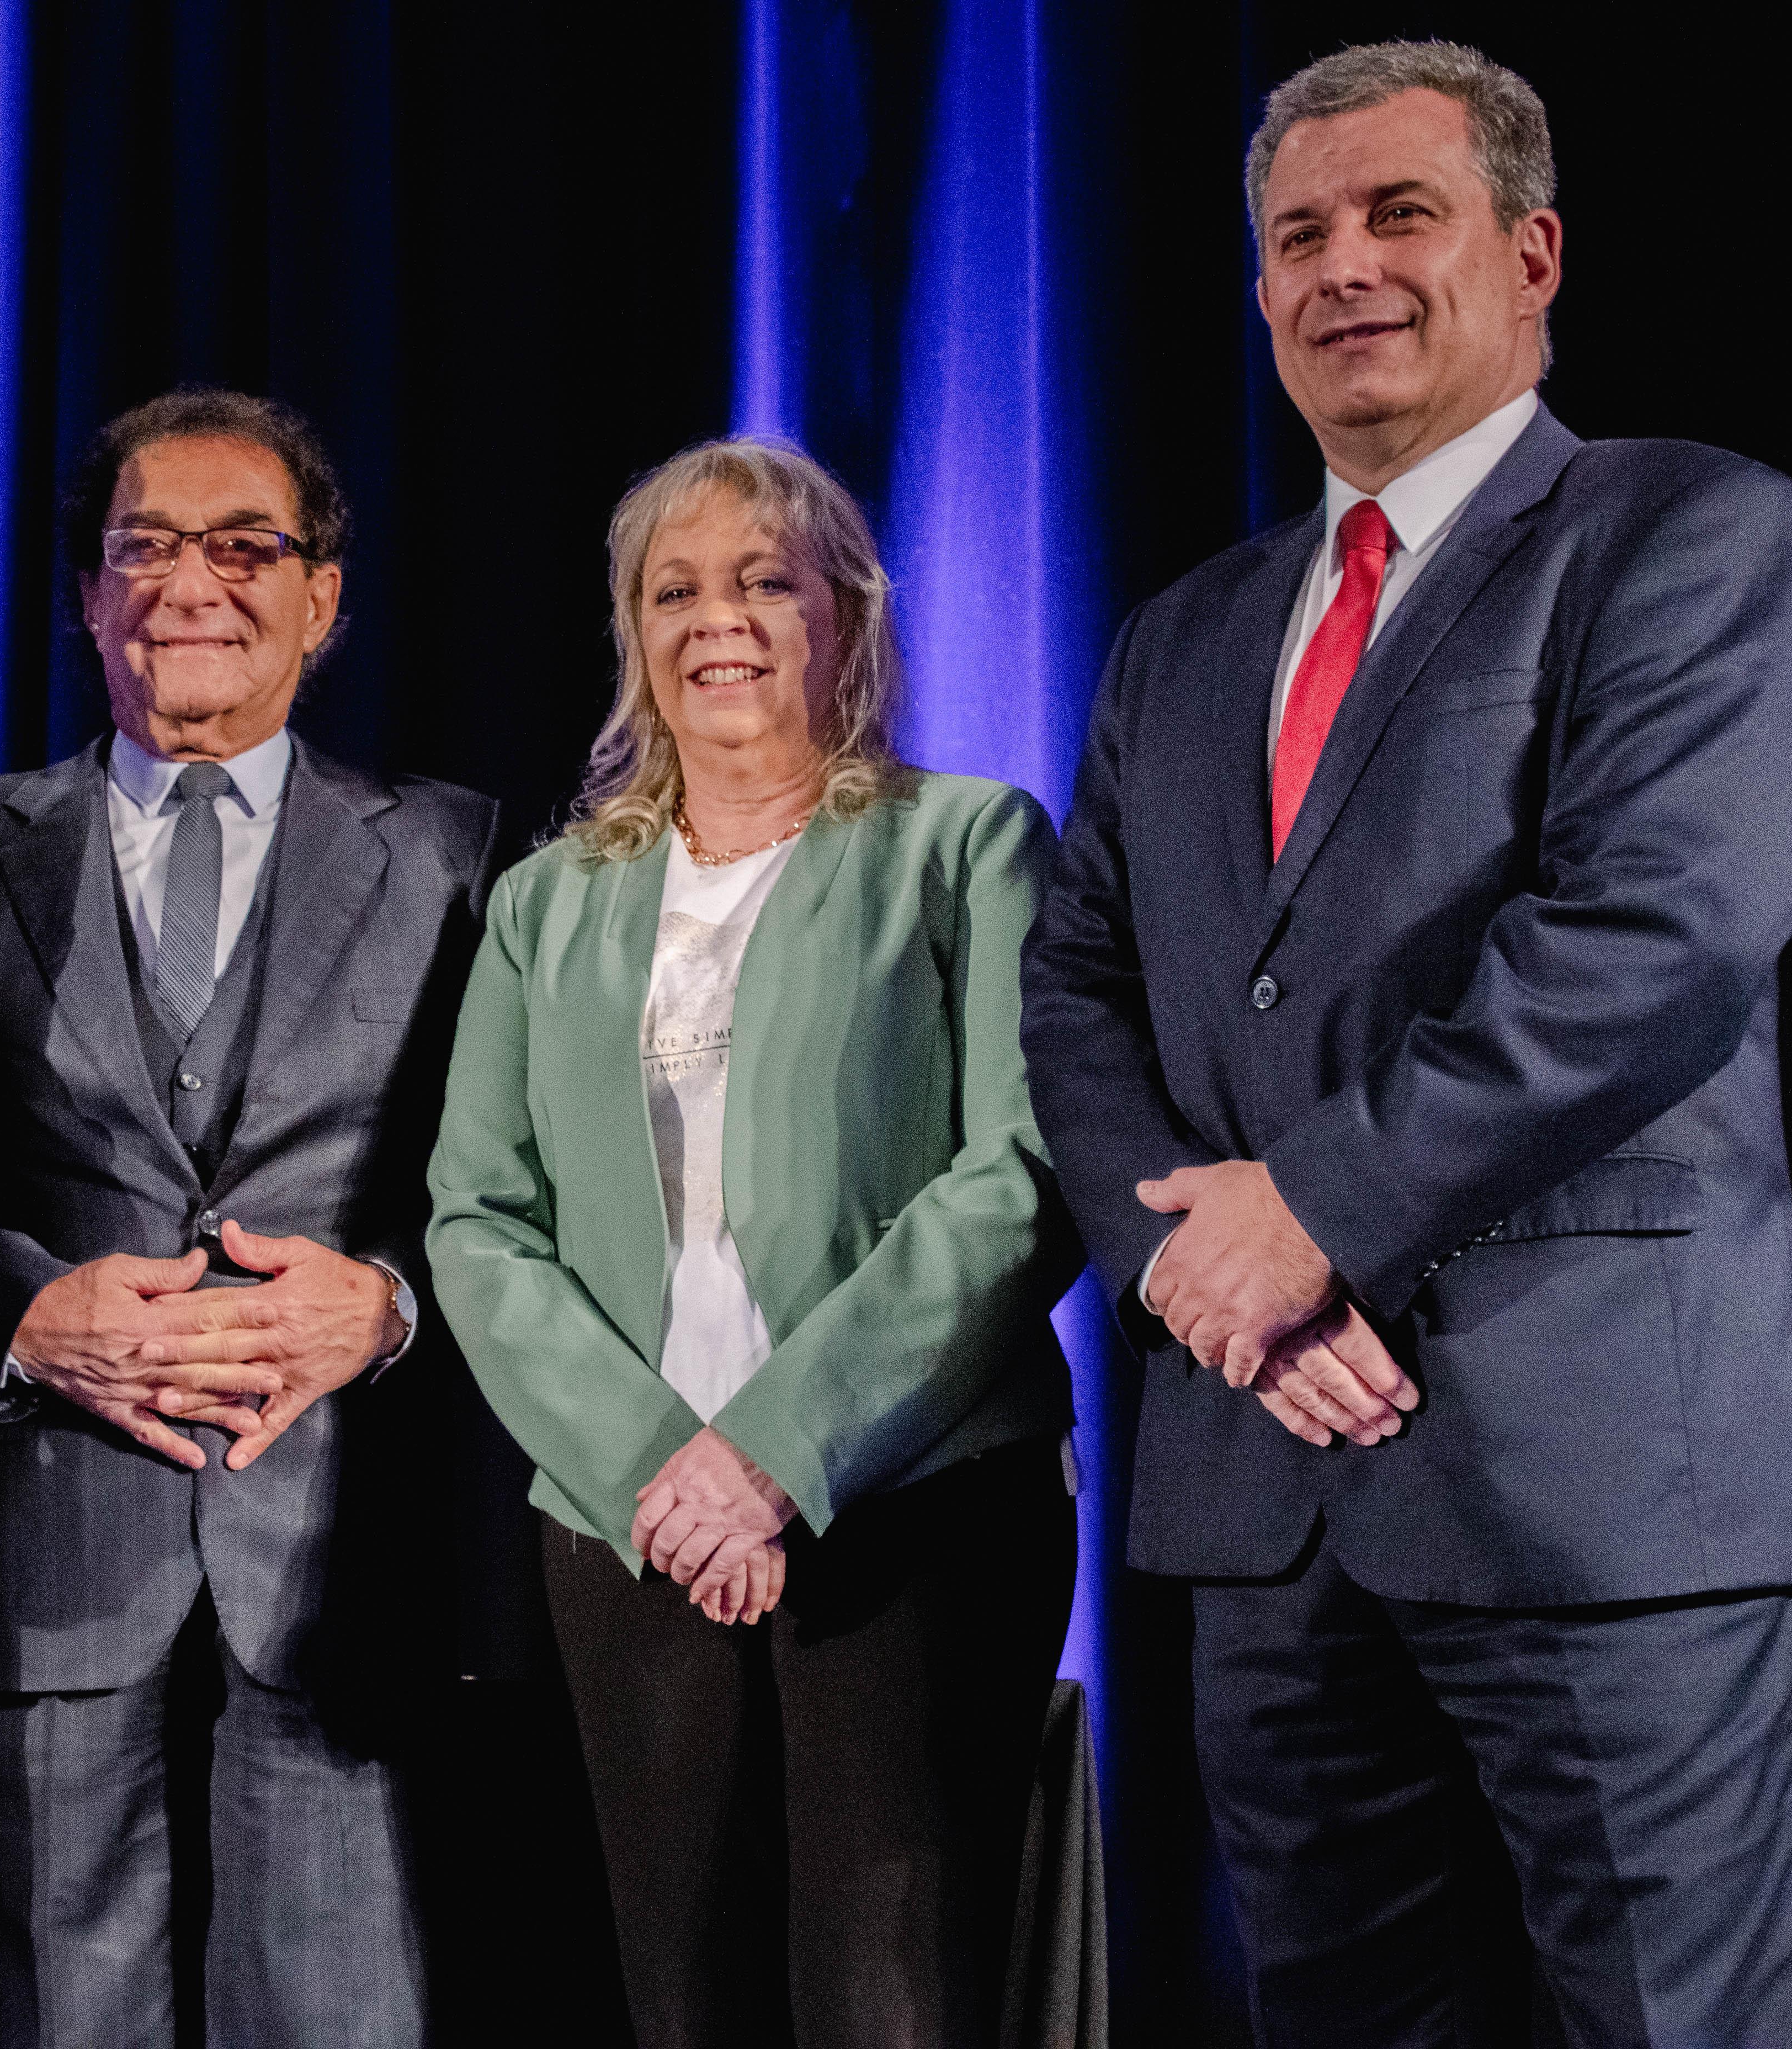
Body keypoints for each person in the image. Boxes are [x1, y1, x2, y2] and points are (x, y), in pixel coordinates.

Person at [1022, 41, 1792, 2045]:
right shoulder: (1187, 633)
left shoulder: (1689, 535)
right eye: (1298, 236)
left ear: (1533, 250)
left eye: (1402, 216)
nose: (1346, 270)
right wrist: (1193, 1271)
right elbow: (1080, 990)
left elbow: (1654, 941)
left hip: (1603, 1489)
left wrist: (1306, 1212)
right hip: (1271, 1490)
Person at [0, 389, 503, 2047]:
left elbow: (517, 1193)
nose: (191, 583)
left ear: (322, 598)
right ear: (87, 595)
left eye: (245, 544)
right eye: (145, 546)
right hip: (47, 1561)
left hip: (342, 1568)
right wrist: (23, 1312)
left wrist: (391, 1306)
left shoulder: (457, 855)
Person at [426, 437, 1080, 2049]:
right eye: (675, 592)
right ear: (636, 638)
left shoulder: (968, 846)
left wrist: (775, 1454)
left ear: (844, 617)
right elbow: (477, 1217)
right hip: (627, 1518)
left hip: (918, 1507)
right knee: (678, 1992)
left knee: (893, 1999)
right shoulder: (547, 903)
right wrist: (663, 1466)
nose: (716, 620)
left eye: (762, 582)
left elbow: (1022, 1173)